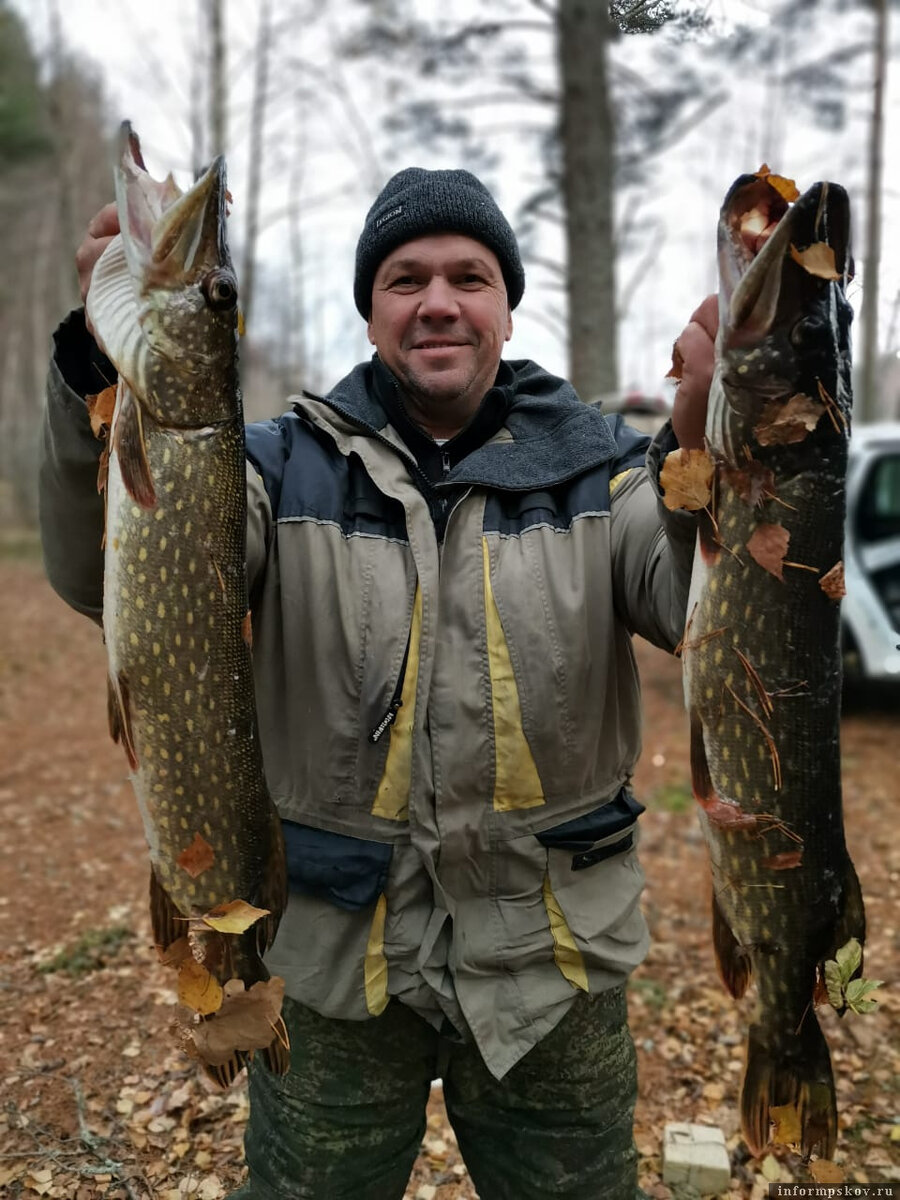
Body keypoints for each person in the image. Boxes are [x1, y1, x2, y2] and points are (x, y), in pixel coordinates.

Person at [40, 167, 716, 1200]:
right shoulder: (263, 465)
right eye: (405, 278)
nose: (437, 301)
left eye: (468, 276)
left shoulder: (604, 470)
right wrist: (102, 360)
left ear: (505, 304)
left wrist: (729, 443)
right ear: (369, 310)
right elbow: (102, 573)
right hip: (333, 971)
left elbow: (696, 605)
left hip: (553, 972)